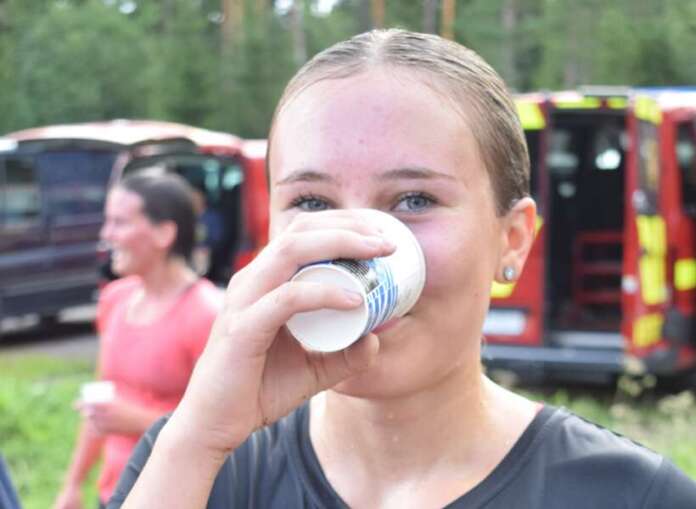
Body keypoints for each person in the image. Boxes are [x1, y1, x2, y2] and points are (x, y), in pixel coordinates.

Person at [108, 30, 696, 508]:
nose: (356, 247)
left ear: (511, 241)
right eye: (312, 202)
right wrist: (200, 436)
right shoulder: (197, 468)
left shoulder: (630, 495)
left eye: (414, 200)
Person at [53, 172, 222, 509]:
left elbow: (225, 429)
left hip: (180, 496)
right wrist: (72, 485)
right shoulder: (115, 298)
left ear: (164, 233)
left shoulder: (207, 315)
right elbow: (103, 401)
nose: (106, 235)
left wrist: (135, 420)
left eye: (119, 223)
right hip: (115, 494)